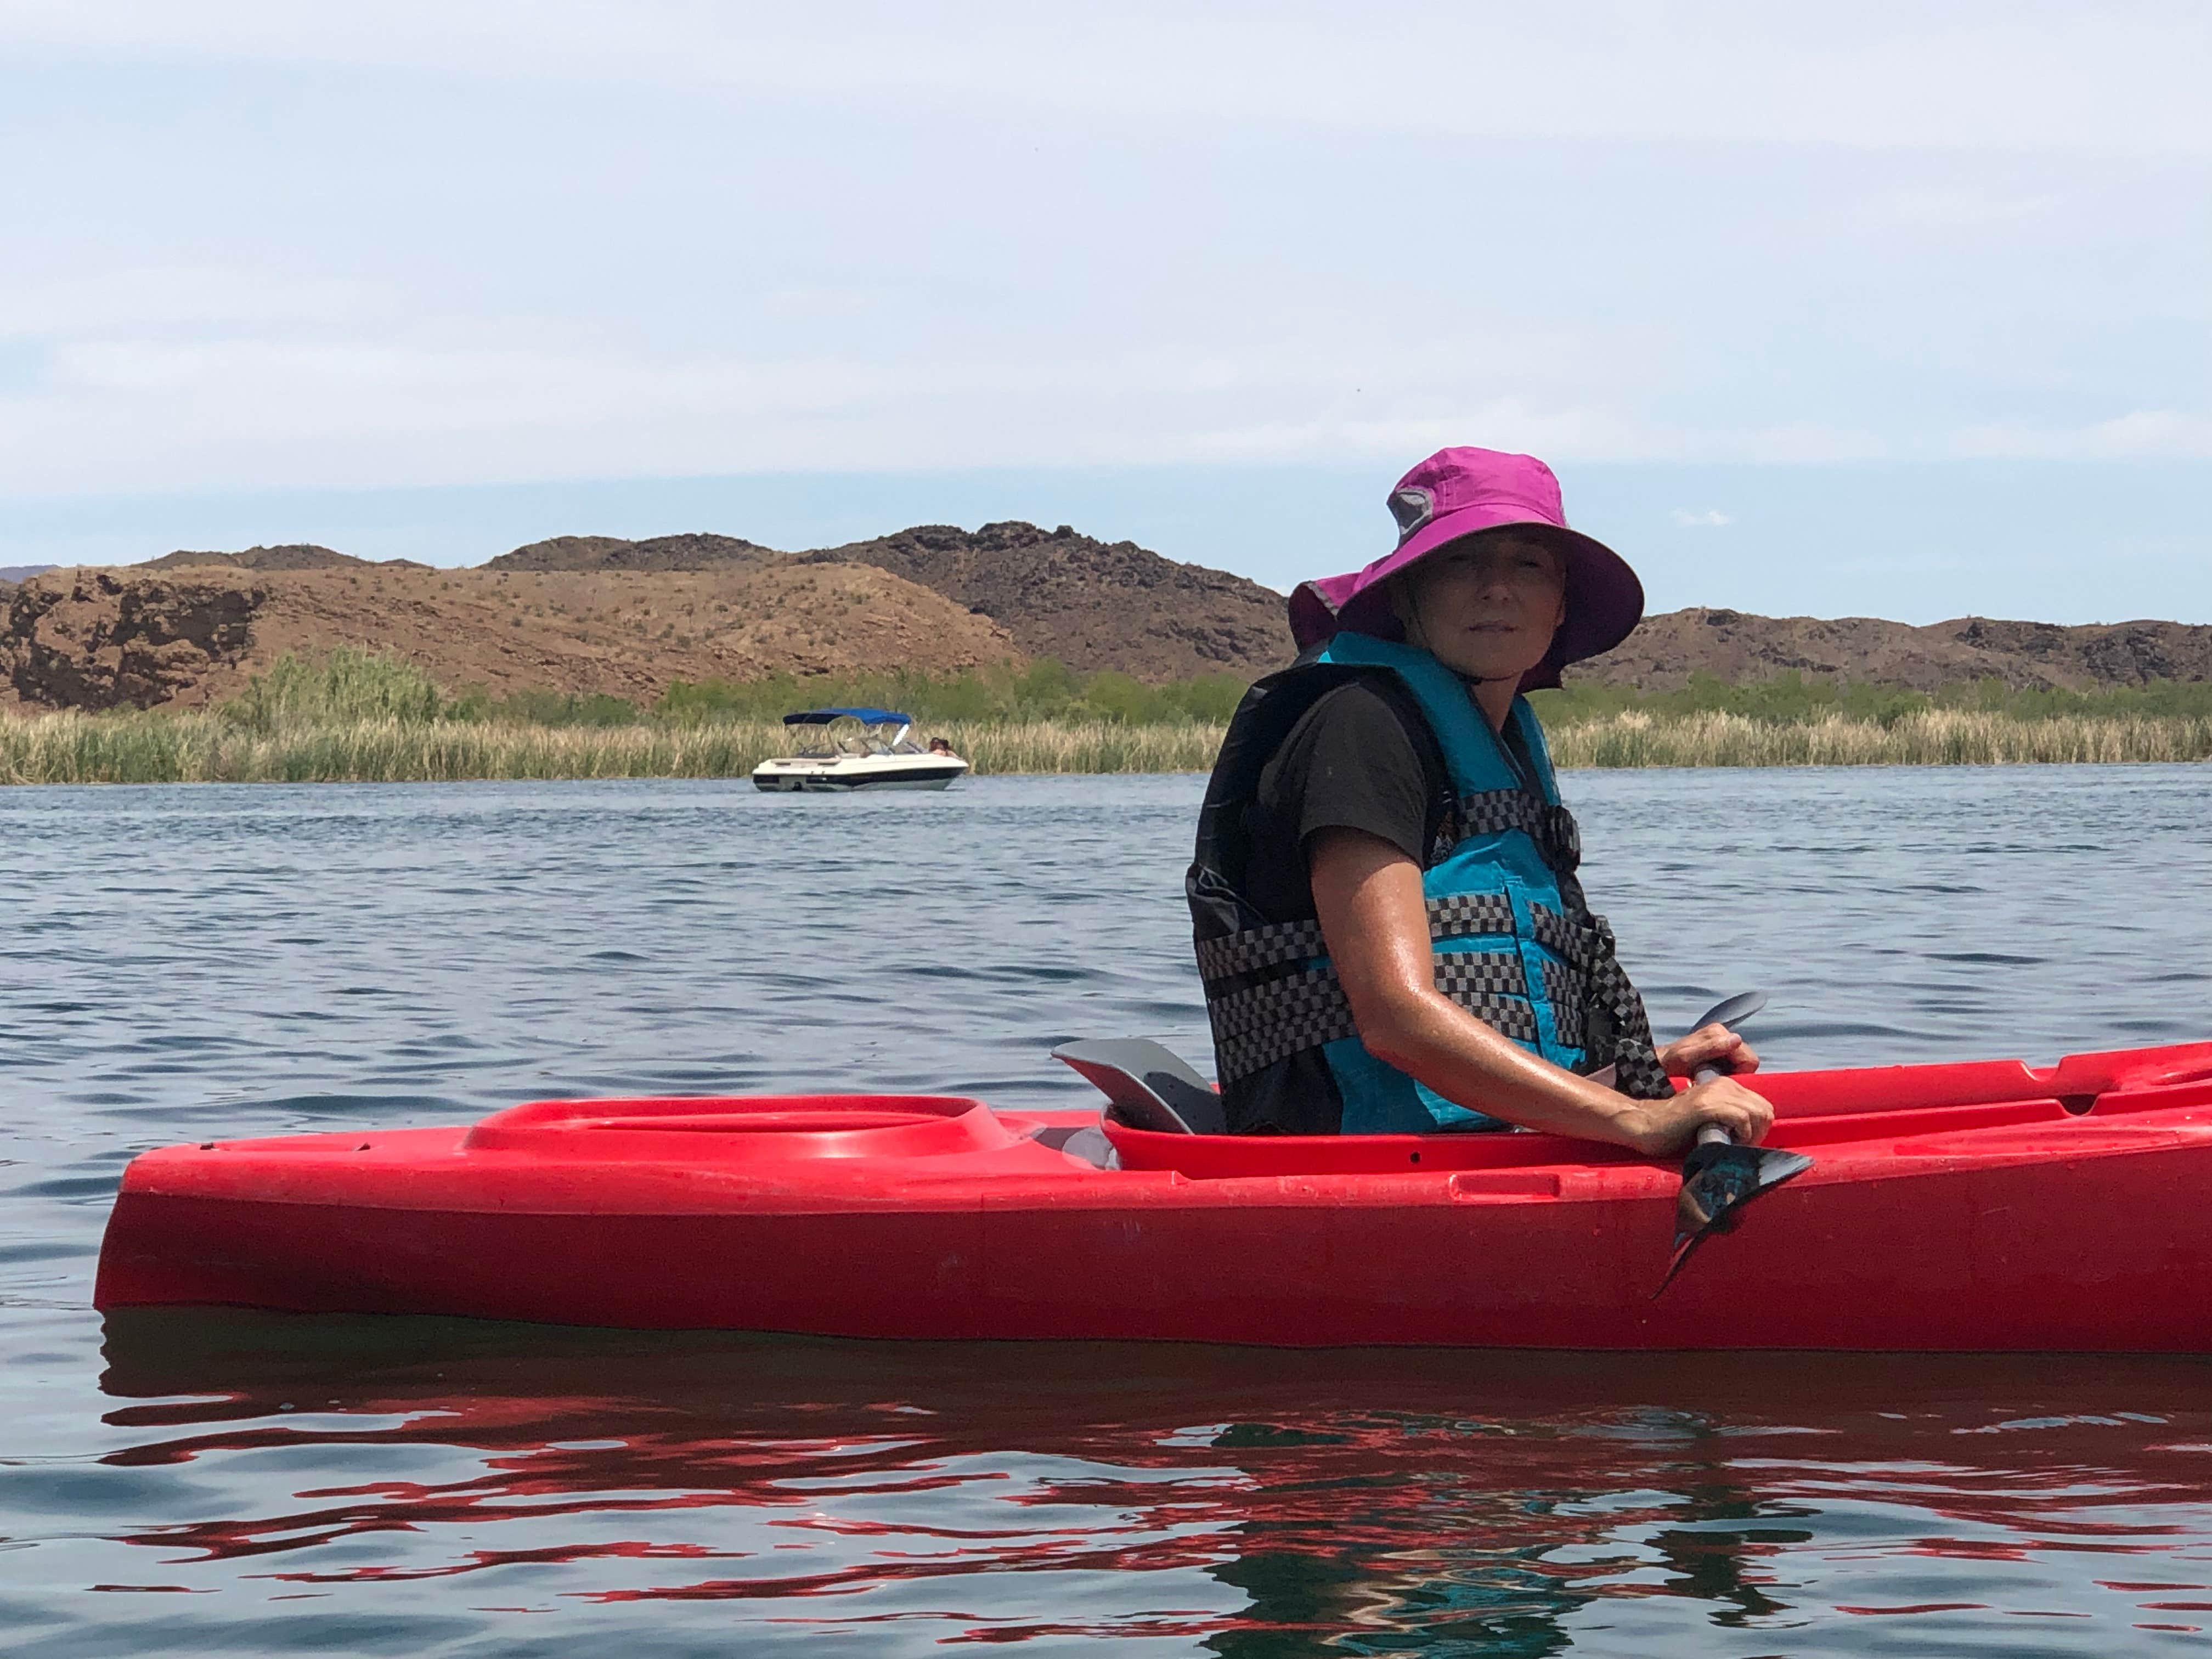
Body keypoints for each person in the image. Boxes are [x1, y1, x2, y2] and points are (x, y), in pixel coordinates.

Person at [1187, 446, 1773, 1153]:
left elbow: (1509, 982)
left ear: (1561, 606)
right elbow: (1394, 1016)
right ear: (1407, 595)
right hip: (1358, 1155)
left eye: (1528, 564)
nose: (1497, 589)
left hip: (1487, 1136)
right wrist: (1634, 1118)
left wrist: (1643, 1069)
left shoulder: (1503, 749)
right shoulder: (1360, 726)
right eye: (1462, 562)